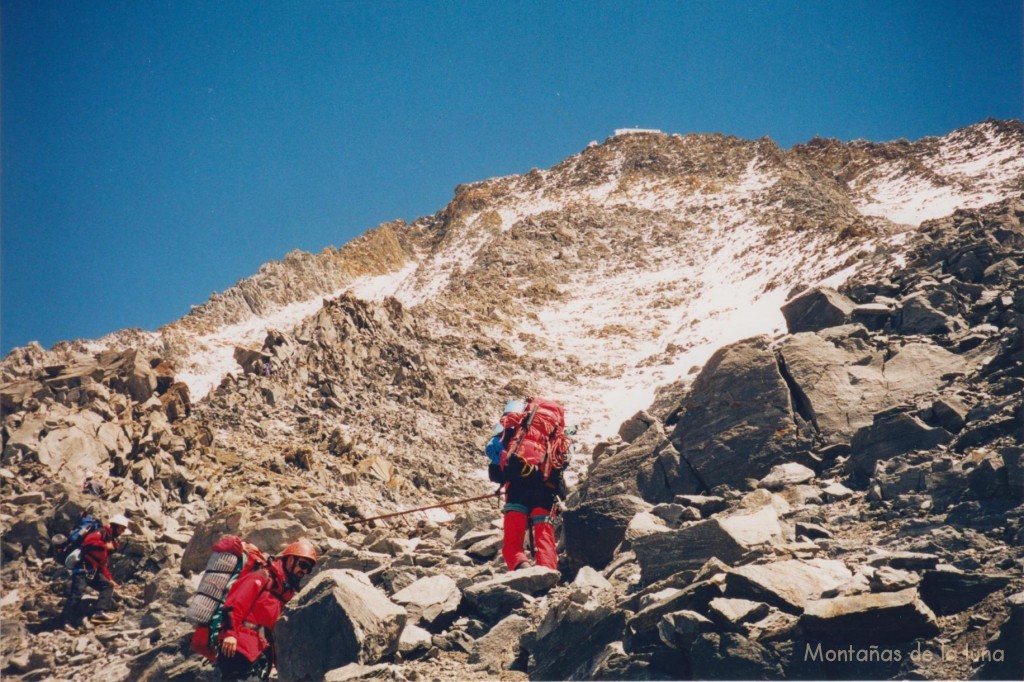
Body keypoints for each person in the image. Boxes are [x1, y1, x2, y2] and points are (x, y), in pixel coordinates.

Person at [486, 398, 572, 572]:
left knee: (513, 541)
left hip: (518, 482)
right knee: (544, 532)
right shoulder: (557, 430)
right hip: (545, 485)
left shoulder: (518, 420)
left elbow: (494, 449)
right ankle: (547, 574)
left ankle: (521, 569)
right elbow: (564, 459)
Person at [216, 538, 319, 681]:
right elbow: (236, 603)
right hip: (238, 646)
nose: (304, 571)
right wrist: (229, 634)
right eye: (302, 564)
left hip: (259, 654)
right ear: (290, 560)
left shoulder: (285, 592)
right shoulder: (263, 576)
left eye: (308, 569)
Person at [60, 513, 130, 627]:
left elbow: (102, 563)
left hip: (92, 570)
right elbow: (88, 542)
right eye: (122, 529)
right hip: (83, 567)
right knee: (77, 593)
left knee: (107, 586)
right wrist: (105, 546)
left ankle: (99, 612)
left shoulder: (108, 538)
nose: (122, 532)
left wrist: (110, 579)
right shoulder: (101, 532)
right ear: (116, 526)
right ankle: (65, 622)